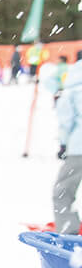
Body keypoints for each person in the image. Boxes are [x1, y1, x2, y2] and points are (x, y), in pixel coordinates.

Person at [53, 50, 82, 234]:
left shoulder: (73, 88)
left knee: (63, 191)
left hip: (79, 148)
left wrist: (63, 144)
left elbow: (66, 121)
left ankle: (69, 233)